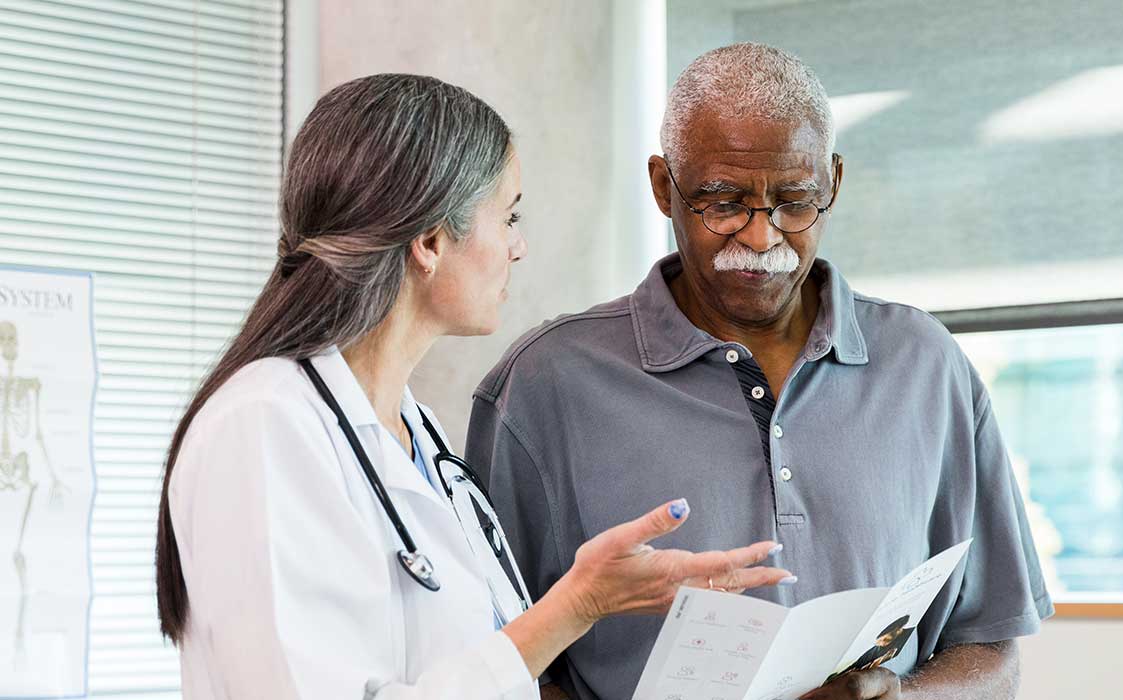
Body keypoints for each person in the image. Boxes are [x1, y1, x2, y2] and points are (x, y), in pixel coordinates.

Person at [152, 73, 793, 699]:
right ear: (430, 240)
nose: (517, 247)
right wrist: (579, 603)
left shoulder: (417, 436)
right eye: (508, 216)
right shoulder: (265, 423)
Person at [467, 43, 1052, 700]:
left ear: (833, 181)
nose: (761, 236)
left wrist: (904, 698)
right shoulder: (546, 385)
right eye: (723, 201)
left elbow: (993, 650)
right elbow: (490, 667)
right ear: (664, 187)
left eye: (796, 202)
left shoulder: (926, 366)